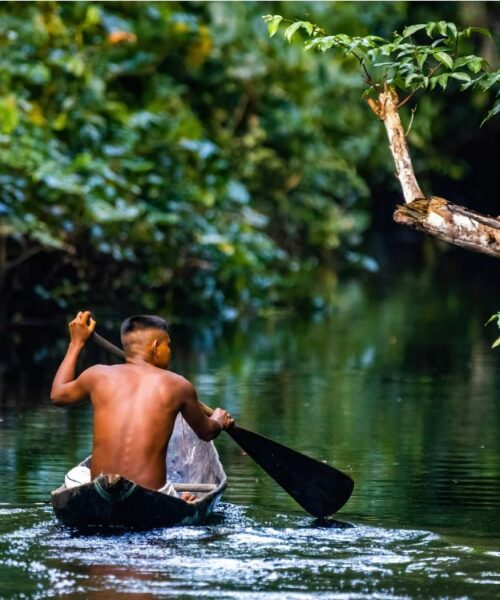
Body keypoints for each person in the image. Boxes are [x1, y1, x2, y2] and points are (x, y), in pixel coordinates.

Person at [50, 310, 234, 501]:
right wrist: (219, 421)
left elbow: (57, 396)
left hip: (101, 492)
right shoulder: (178, 386)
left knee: (77, 475)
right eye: (168, 346)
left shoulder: (97, 375)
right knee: (174, 497)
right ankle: (178, 500)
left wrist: (76, 343)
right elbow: (206, 432)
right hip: (153, 497)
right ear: (155, 347)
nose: (170, 352)